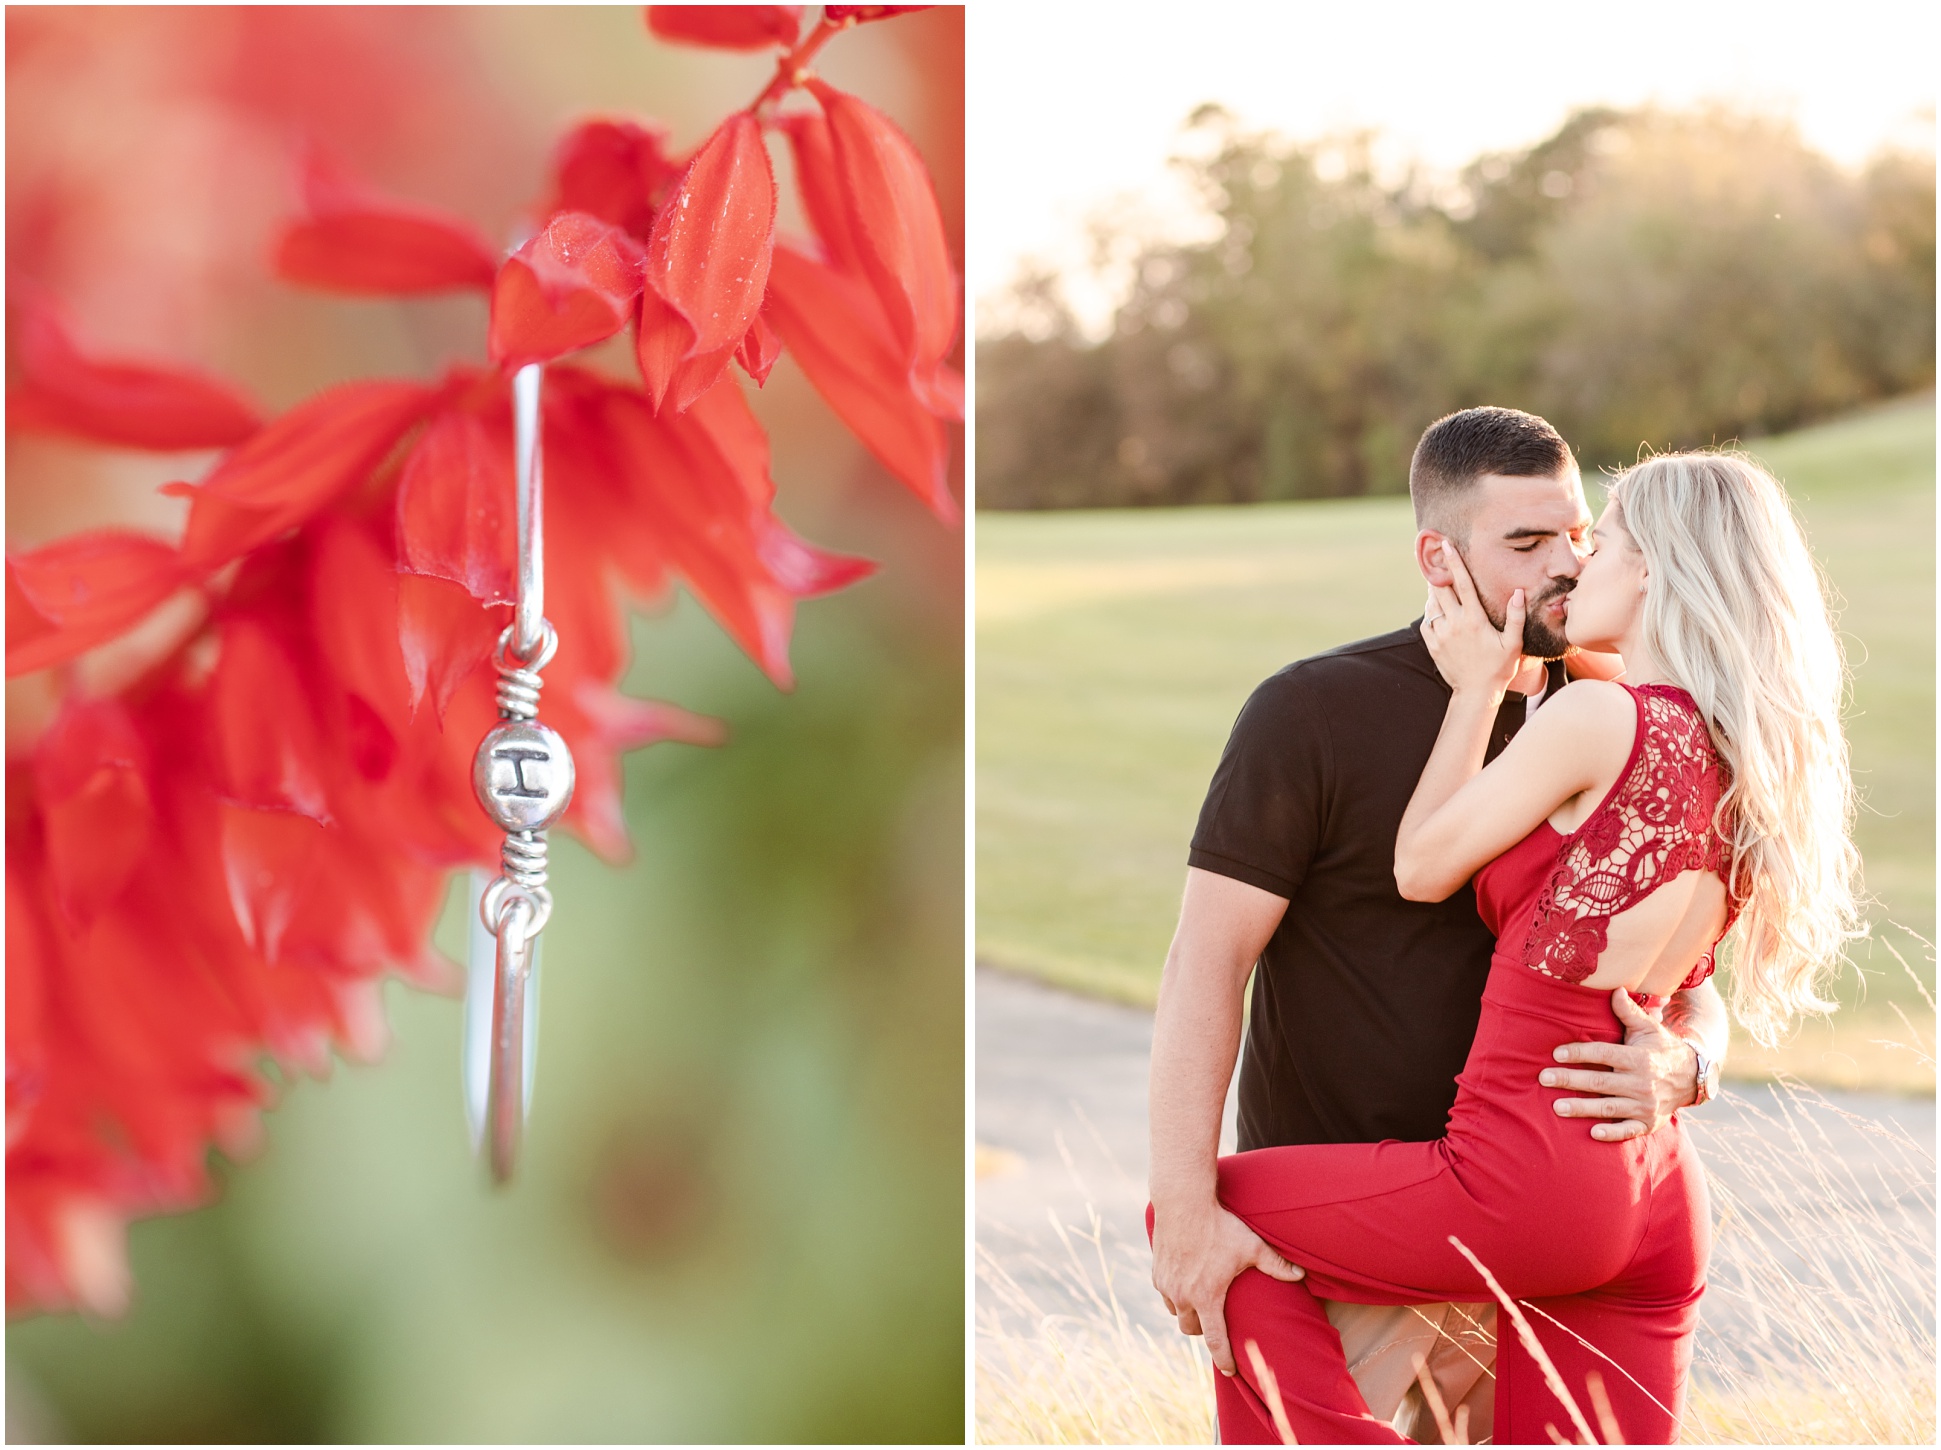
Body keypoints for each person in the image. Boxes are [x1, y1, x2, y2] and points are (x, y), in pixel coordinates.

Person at [1151, 439, 1859, 1443]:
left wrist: (1692, 1059)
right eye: (1529, 542)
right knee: (1201, 1212)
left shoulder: (1600, 711)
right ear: (1439, 559)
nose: (1570, 563)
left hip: (1510, 1193)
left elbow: (1428, 870)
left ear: (1653, 567)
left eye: (1586, 536)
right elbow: (1204, 961)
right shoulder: (1316, 710)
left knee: (1214, 1208)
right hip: (1603, 1199)